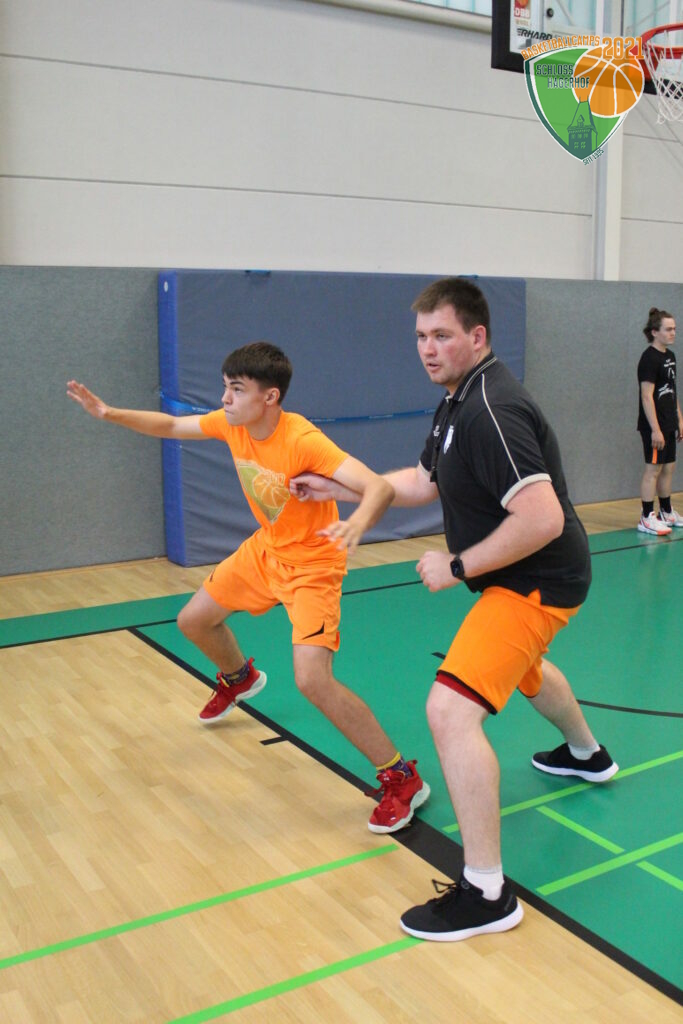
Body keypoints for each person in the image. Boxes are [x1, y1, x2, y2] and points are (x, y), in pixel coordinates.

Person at [291, 278, 618, 942]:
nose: (427, 348)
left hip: (535, 579)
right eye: (420, 336)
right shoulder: (457, 401)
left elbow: (542, 518)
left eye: (441, 335)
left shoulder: (489, 410)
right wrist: (338, 487)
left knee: (449, 711)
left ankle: (487, 892)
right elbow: (424, 481)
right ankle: (586, 755)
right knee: (525, 669)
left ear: (477, 336)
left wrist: (458, 565)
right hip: (531, 577)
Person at [67, 341, 429, 834]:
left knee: (312, 680)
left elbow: (379, 487)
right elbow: (171, 426)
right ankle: (239, 677)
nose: (225, 399)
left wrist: (358, 523)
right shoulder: (231, 424)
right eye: (224, 387)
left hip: (312, 565)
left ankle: (402, 778)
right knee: (193, 621)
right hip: (266, 551)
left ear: (270, 397)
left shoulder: (303, 439)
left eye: (236, 389)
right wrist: (108, 413)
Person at [636, 307, 682, 535]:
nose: (673, 333)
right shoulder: (649, 359)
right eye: (668, 329)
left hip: (669, 422)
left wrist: (679, 419)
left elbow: (671, 391)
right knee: (653, 469)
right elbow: (647, 396)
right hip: (654, 425)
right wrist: (655, 429)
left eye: (674, 329)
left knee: (668, 468)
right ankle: (646, 517)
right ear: (655, 332)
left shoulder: (670, 356)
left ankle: (666, 511)